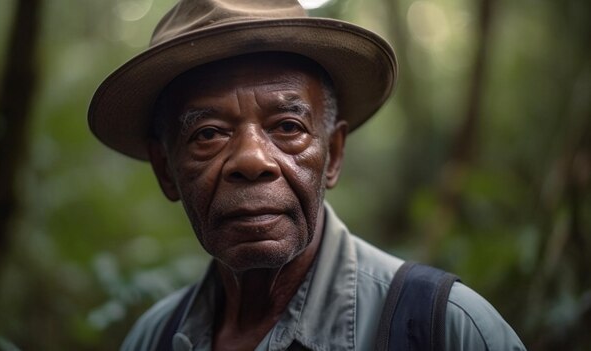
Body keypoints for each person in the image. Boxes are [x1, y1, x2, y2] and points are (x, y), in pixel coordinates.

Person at [88, 0, 526, 350]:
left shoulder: (446, 329)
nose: (252, 159)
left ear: (333, 154)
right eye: (209, 133)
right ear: (167, 170)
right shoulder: (153, 338)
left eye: (287, 127)